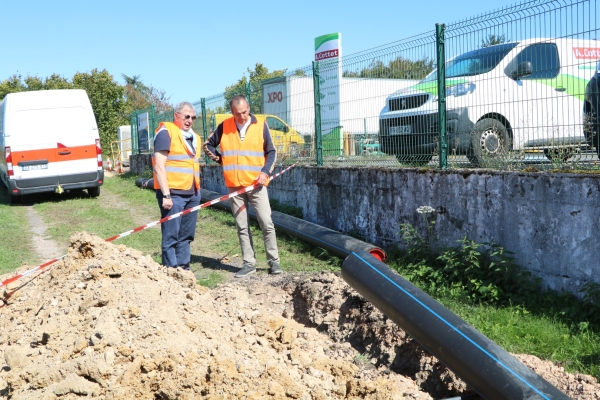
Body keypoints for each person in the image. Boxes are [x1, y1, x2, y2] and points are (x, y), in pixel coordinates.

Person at [203, 95, 282, 277]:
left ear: (249, 109)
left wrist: (265, 172)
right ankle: (249, 263)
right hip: (234, 186)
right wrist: (222, 159)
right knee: (241, 225)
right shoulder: (224, 126)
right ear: (232, 113)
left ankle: (274, 262)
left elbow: (271, 151)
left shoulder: (261, 125)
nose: (242, 117)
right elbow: (208, 145)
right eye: (238, 114)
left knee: (266, 222)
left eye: (245, 112)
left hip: (256, 184)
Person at [153, 102, 202, 270]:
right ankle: (171, 271)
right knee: (171, 235)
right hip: (173, 194)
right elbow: (159, 166)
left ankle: (184, 270)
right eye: (186, 116)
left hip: (192, 193)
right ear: (177, 115)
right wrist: (166, 195)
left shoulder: (195, 138)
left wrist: (197, 193)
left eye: (192, 117)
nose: (189, 120)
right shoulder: (166, 132)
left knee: (186, 236)